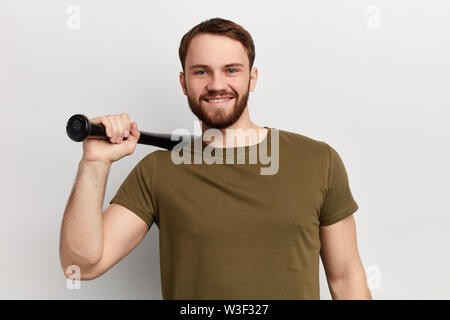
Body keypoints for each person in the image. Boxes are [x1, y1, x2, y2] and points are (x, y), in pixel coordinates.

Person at [60, 17, 371, 300]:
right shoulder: (158, 171)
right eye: (201, 72)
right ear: (184, 83)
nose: (217, 84)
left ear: (253, 78)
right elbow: (81, 265)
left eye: (231, 70)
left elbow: (345, 277)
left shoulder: (318, 161)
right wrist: (94, 164)